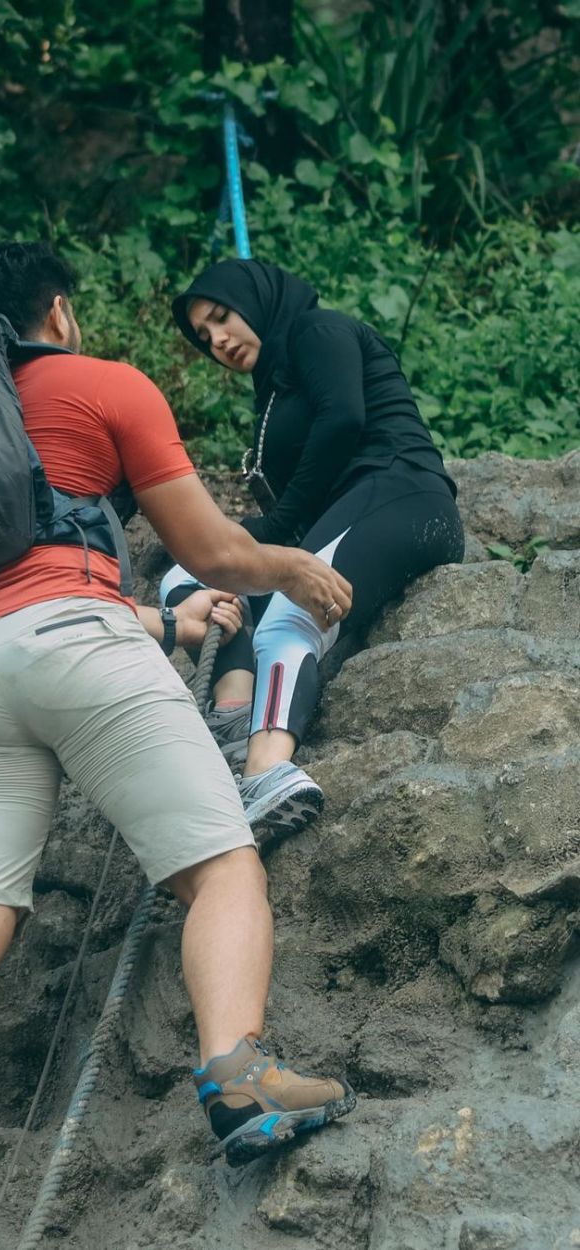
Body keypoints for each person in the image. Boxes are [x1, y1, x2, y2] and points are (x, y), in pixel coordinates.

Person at [0, 244, 356, 1250]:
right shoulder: (100, 384)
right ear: (58, 312)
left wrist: (162, 624)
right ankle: (240, 1076)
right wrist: (291, 567)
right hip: (76, 642)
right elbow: (212, 550)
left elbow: (10, 586)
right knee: (221, 865)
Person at [163, 258, 465, 849]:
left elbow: (344, 418)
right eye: (204, 335)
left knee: (289, 616)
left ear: (254, 301)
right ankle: (235, 712)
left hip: (400, 494)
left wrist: (275, 528)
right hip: (341, 516)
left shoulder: (316, 330)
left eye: (222, 317)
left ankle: (267, 772)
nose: (218, 339)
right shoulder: (273, 388)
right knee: (190, 571)